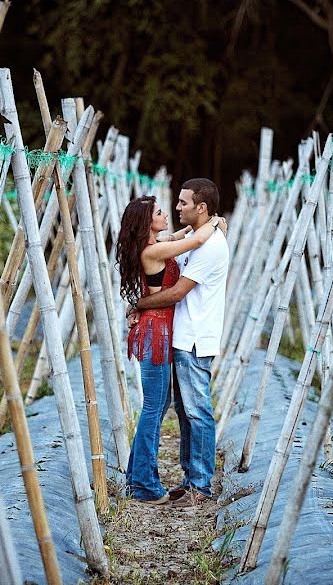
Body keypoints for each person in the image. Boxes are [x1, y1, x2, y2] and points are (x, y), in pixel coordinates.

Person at [116, 195, 224, 505]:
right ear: (148, 222)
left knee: (156, 406)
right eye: (160, 212)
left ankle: (137, 480)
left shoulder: (154, 245)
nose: (168, 214)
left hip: (159, 330)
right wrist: (214, 221)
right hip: (157, 332)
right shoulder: (155, 250)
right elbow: (195, 239)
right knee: (154, 407)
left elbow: (180, 237)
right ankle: (145, 485)